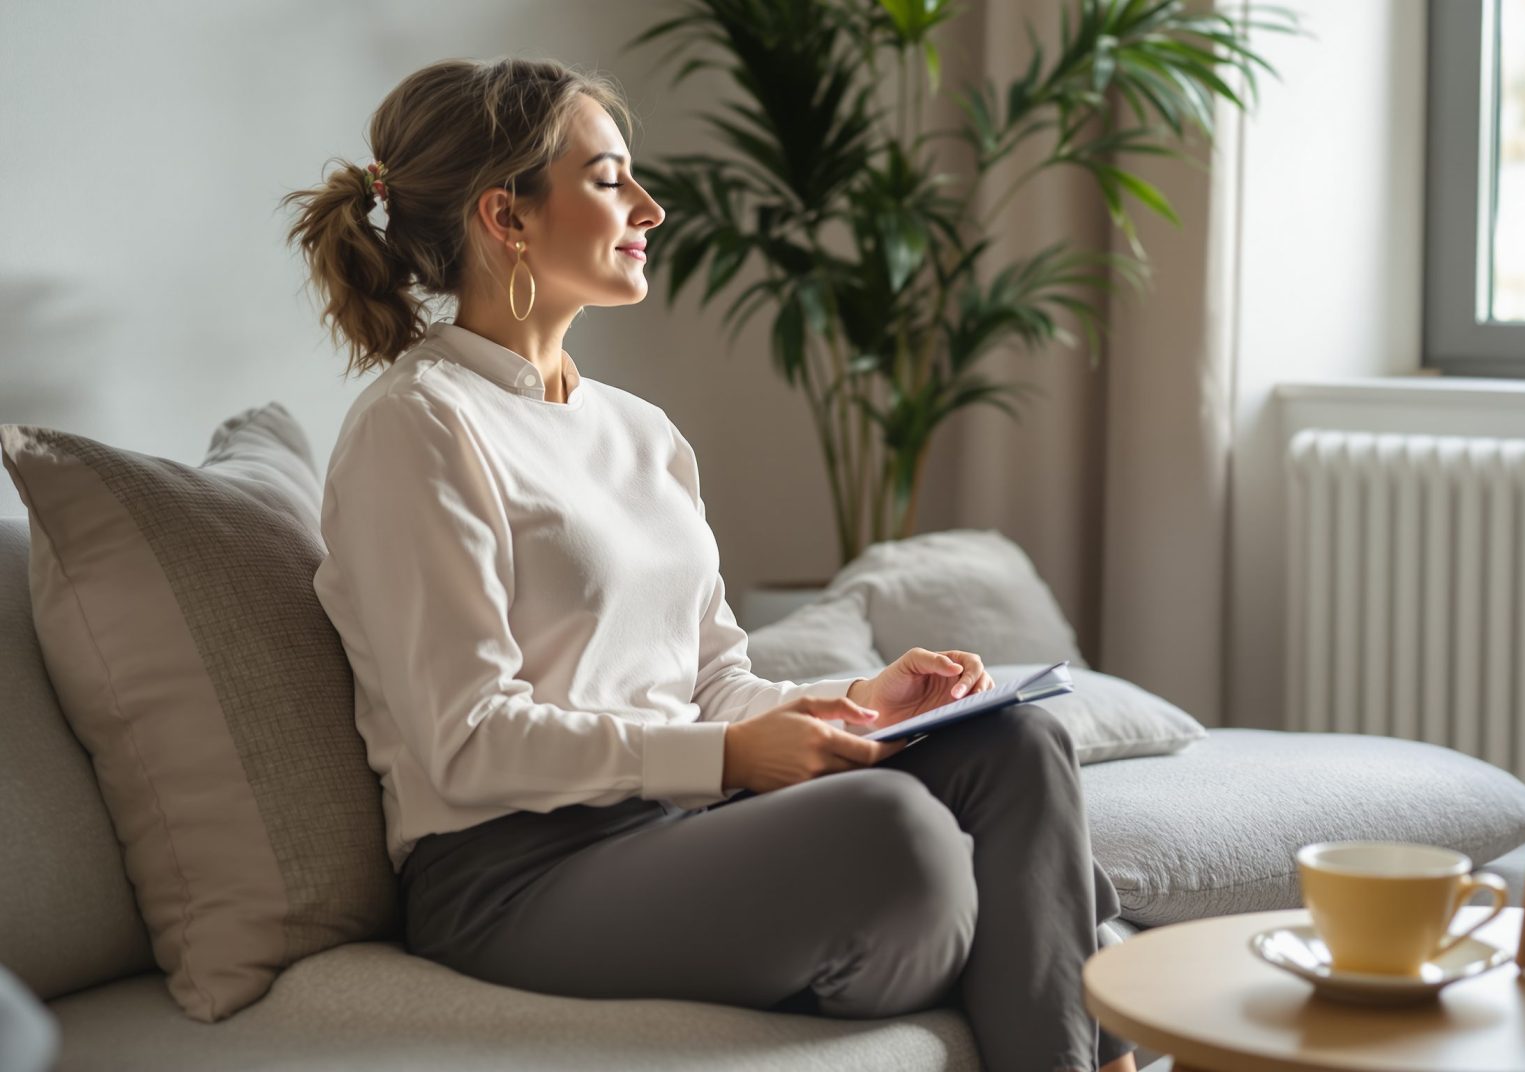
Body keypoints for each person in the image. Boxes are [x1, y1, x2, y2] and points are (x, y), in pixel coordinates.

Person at [280, 56, 1137, 1072]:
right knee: (901, 835)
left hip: (683, 818)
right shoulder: (417, 425)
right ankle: (1058, 958)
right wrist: (724, 761)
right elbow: (467, 739)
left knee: (1018, 743)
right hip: (513, 869)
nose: (649, 205)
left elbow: (718, 682)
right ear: (506, 218)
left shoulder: (644, 433)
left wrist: (865, 699)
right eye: (609, 180)